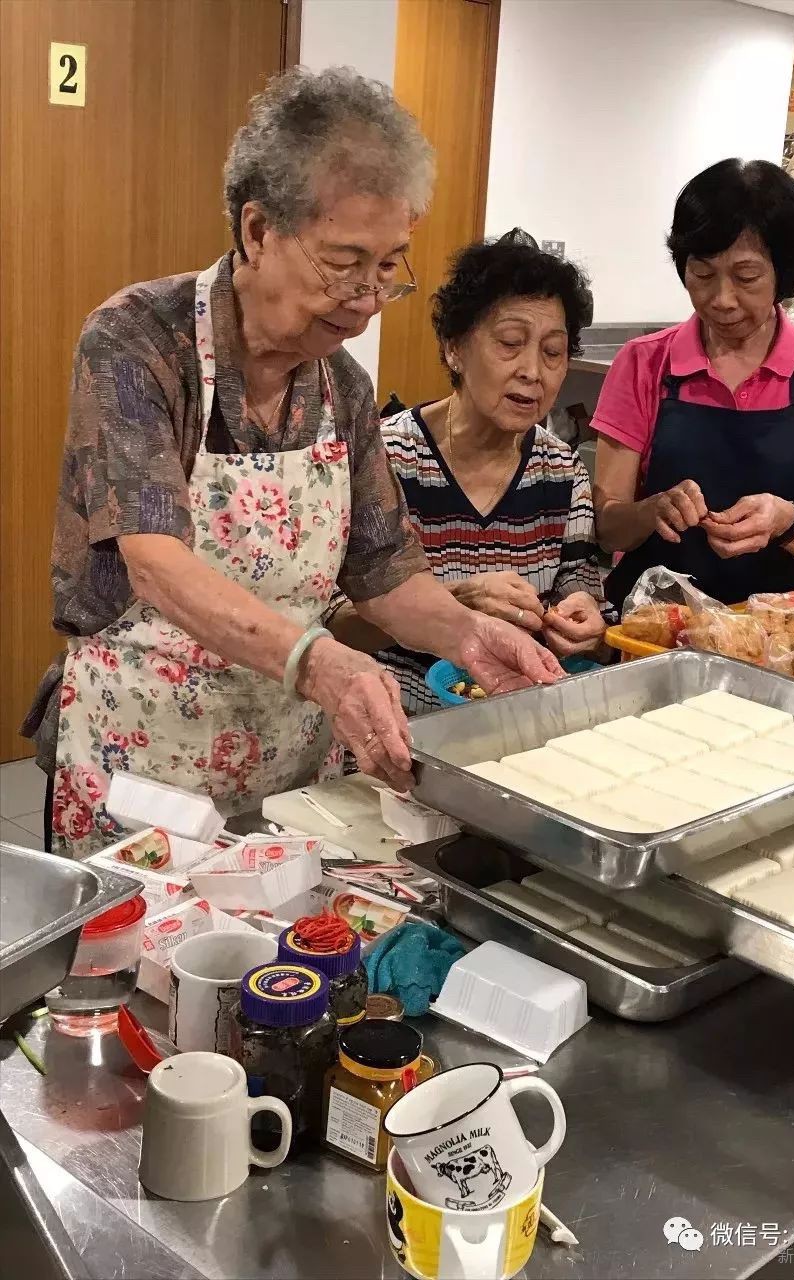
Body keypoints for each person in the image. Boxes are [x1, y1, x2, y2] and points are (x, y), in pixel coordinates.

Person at [23, 69, 559, 858]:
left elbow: (383, 571)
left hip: (295, 767)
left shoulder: (341, 385)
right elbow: (156, 562)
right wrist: (318, 662)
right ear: (257, 230)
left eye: (389, 265)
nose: (370, 297)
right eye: (345, 262)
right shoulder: (139, 340)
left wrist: (468, 635)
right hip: (146, 760)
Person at [326, 230, 609, 714]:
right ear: (455, 347)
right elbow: (332, 623)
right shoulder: (384, 457)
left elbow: (582, 593)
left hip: (517, 716)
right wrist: (457, 604)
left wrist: (584, 623)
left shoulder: (562, 471)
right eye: (510, 343)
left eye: (553, 352)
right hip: (392, 719)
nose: (532, 371)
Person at [593, 158, 794, 610]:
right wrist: (649, 511)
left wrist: (786, 520)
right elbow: (607, 527)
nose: (721, 300)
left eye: (746, 277)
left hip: (764, 631)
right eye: (702, 275)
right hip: (649, 624)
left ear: (786, 273)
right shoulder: (643, 363)